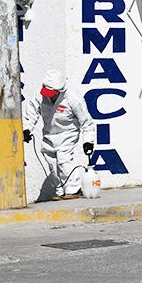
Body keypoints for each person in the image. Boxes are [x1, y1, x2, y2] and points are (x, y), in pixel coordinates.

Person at [23, 69, 95, 200]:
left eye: (52, 93)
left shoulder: (73, 98)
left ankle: (73, 189)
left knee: (63, 159)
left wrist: (88, 141)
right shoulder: (40, 94)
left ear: (60, 90)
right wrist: (27, 129)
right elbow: (32, 111)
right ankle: (60, 189)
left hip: (68, 133)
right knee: (51, 161)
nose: (49, 95)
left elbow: (86, 122)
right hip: (49, 133)